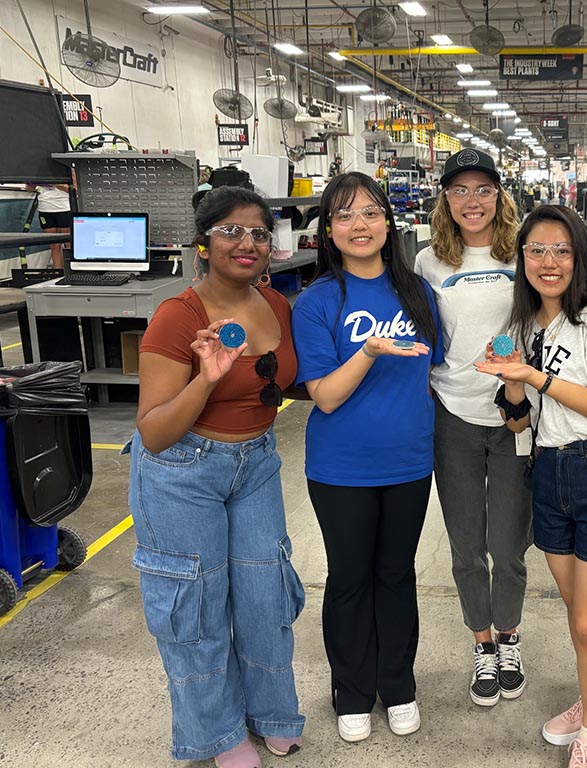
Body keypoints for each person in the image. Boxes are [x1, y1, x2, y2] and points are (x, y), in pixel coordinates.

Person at [128, 186, 305, 768]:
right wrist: (205, 378)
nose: (247, 243)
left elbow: (285, 383)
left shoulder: (275, 304)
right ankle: (217, 734)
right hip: (183, 472)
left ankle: (271, 713)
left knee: (264, 597)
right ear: (203, 243)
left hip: (255, 464)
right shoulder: (178, 316)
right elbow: (153, 431)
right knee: (195, 608)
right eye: (231, 231)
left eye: (258, 232)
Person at [475, 205, 587, 768]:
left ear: (578, 258)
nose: (547, 263)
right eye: (535, 251)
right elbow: (520, 422)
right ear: (521, 257)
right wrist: (513, 387)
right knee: (579, 613)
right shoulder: (522, 327)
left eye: (561, 251)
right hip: (549, 470)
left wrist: (534, 376)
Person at [292, 171, 442, 744]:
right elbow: (325, 395)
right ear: (329, 230)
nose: (360, 225)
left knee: (396, 575)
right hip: (341, 468)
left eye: (371, 213)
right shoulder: (317, 302)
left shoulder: (417, 293)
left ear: (388, 222)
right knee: (350, 578)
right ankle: (351, 691)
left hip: (407, 461)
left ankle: (398, 685)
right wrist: (369, 351)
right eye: (346, 215)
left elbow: (431, 370)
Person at [414, 150, 532, 707]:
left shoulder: (525, 251)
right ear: (445, 199)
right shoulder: (428, 261)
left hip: (516, 411)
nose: (472, 200)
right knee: (466, 546)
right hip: (453, 414)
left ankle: (509, 636)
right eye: (460, 190)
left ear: (499, 196)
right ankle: (482, 643)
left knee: (509, 544)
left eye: (483, 189)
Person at [27, 182, 70, 269]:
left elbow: (74, 189)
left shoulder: (66, 170)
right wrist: (31, 183)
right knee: (54, 246)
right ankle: (58, 273)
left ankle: (71, 273)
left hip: (64, 209)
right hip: (45, 209)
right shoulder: (39, 172)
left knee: (68, 244)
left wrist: (56, 184)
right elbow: (29, 189)